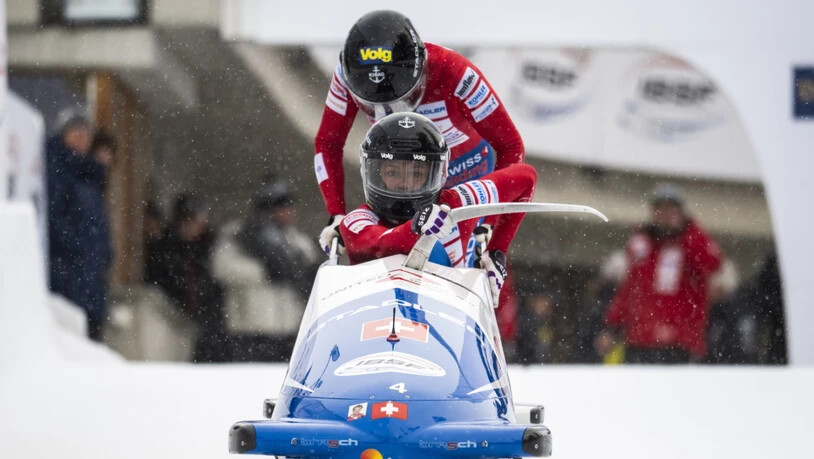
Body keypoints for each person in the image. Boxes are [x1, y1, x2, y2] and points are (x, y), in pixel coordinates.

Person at [316, 10, 526, 264]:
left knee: (459, 268)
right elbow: (328, 142)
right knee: (380, 254)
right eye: (373, 106)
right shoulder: (347, 75)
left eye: (401, 99)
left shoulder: (457, 74)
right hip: (397, 185)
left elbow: (510, 145)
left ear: (422, 71)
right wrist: (336, 214)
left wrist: (489, 222)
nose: (386, 112)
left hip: (462, 186)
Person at [338, 113, 536, 306]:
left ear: (438, 173)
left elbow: (526, 178)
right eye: (392, 172)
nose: (404, 184)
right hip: (373, 320)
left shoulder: (456, 203)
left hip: (446, 323)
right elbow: (383, 244)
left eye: (416, 173)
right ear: (375, 173)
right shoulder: (356, 221)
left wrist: (496, 251)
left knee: (437, 252)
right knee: (433, 249)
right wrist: (416, 229)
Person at [596, 184, 722, 363]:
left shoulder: (692, 242)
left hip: (678, 343)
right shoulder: (643, 246)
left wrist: (687, 232)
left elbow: (713, 263)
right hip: (640, 340)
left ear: (680, 213)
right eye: (660, 210)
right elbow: (629, 290)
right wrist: (611, 327)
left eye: (670, 210)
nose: (664, 216)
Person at [212, 176, 321, 361]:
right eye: (282, 207)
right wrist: (265, 272)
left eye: (289, 207)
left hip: (287, 331)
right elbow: (221, 267)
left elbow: (309, 266)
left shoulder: (294, 240)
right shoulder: (239, 233)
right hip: (249, 330)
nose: (289, 213)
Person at [46, 109, 113, 341]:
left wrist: (104, 255)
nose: (81, 138)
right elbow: (52, 220)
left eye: (85, 133)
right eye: (75, 132)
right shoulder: (56, 170)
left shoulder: (89, 176)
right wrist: (77, 248)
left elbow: (97, 225)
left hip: (89, 282)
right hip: (67, 281)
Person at [150, 193, 229, 362]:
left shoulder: (212, 248)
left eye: (195, 221)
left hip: (209, 323)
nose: (191, 226)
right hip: (174, 320)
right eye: (187, 221)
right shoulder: (164, 250)